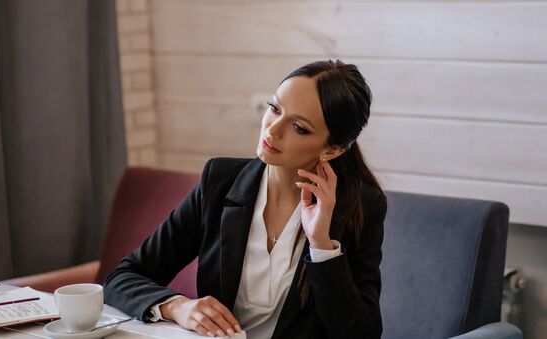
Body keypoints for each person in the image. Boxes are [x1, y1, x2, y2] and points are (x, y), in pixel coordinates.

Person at [104, 60, 387, 339]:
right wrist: (178, 306)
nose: (273, 129)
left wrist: (321, 245)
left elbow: (361, 334)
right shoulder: (219, 181)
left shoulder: (362, 205)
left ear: (332, 150)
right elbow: (122, 278)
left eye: (298, 127)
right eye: (275, 108)